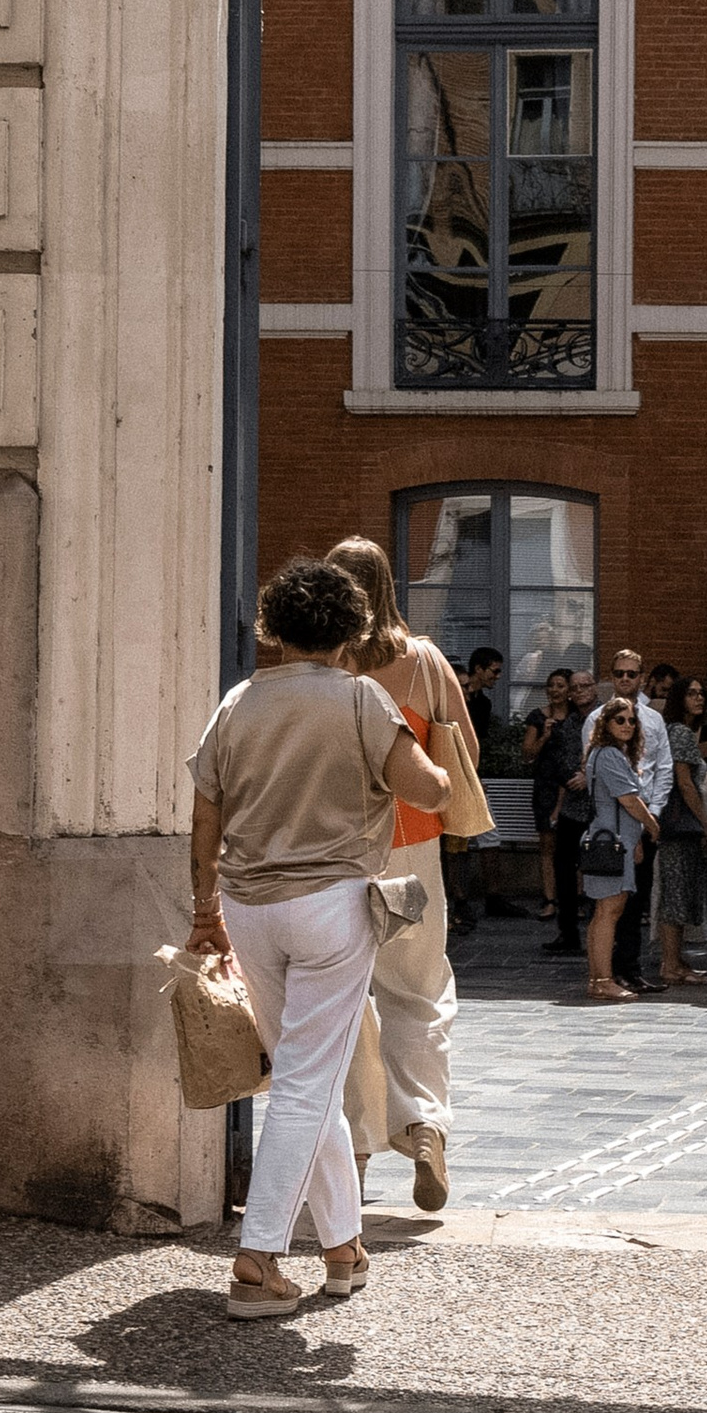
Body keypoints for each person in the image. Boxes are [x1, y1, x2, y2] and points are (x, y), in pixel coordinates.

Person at [187, 555, 449, 1319]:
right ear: (351, 629)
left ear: (272, 628)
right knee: (306, 1081)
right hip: (332, 904)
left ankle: (343, 1247)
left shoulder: (237, 702)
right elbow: (426, 788)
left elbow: (205, 816)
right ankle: (258, 1259)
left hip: (248, 907)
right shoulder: (364, 698)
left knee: (312, 1075)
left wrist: (202, 908)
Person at [325, 533, 472, 1212]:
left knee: (346, 999)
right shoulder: (426, 662)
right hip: (410, 853)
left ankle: (353, 1157)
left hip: (336, 855)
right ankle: (424, 1127)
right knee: (416, 988)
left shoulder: (323, 664)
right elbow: (462, 752)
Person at [582, 648, 674, 993]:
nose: (626, 725)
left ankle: (603, 977)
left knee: (612, 910)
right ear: (605, 723)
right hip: (616, 837)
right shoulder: (607, 754)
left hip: (619, 834)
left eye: (631, 721)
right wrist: (651, 826)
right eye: (619, 720)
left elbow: (662, 771)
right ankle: (604, 978)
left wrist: (650, 819)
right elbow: (629, 800)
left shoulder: (613, 750)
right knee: (609, 910)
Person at [653, 677, 707, 986]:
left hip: (681, 825)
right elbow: (685, 782)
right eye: (692, 693)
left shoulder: (684, 732)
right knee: (675, 894)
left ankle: (676, 959)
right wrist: (705, 823)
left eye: (701, 692)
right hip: (679, 826)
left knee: (681, 893)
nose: (699, 698)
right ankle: (670, 963)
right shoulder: (679, 732)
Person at [538, 666, 598, 956]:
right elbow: (557, 761)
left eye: (586, 685)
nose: (581, 691)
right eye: (576, 687)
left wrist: (591, 776)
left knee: (602, 868)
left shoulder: (607, 719)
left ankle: (604, 933)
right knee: (564, 869)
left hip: (602, 807)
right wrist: (573, 777)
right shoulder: (567, 726)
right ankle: (568, 933)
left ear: (594, 688)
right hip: (573, 806)